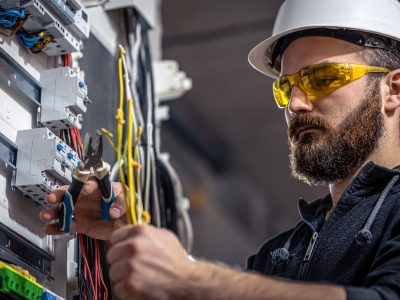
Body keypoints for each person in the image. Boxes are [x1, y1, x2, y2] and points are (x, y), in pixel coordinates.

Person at [40, 0, 400, 299]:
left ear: (393, 89)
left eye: (321, 79)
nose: (296, 104)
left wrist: (188, 277)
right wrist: (126, 243)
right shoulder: (281, 255)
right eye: (286, 87)